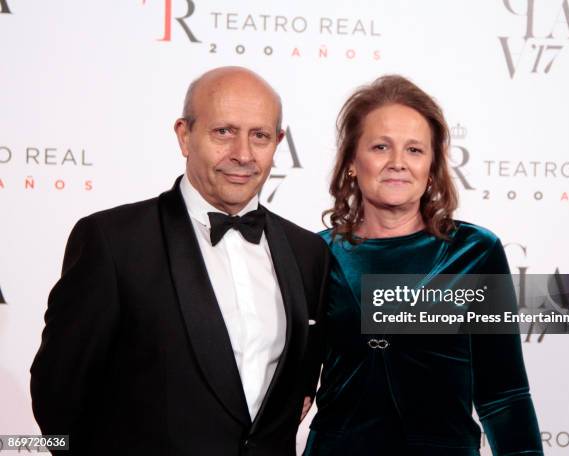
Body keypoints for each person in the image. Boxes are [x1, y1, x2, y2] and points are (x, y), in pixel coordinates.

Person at [30, 66, 329, 456]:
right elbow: (58, 393)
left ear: (279, 143)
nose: (242, 154)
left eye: (260, 136)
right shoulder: (114, 242)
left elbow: (301, 385)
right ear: (184, 135)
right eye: (223, 131)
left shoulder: (308, 252)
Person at [303, 75, 543, 455]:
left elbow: (504, 393)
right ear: (352, 162)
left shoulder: (475, 252)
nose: (398, 163)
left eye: (415, 150)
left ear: (432, 167)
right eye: (381, 146)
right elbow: (290, 390)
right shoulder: (316, 255)